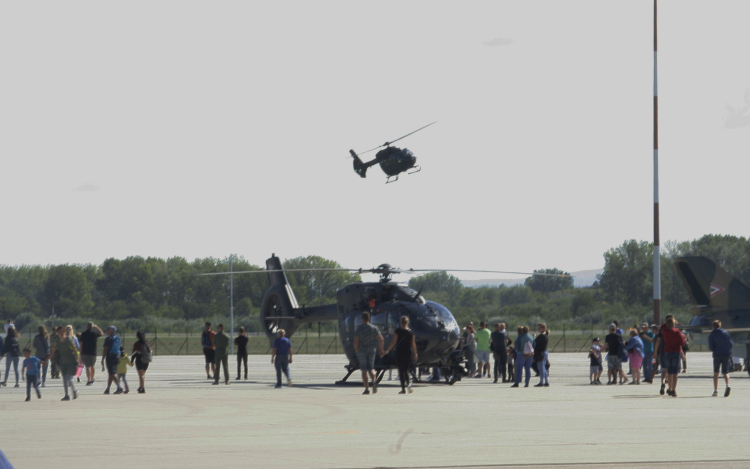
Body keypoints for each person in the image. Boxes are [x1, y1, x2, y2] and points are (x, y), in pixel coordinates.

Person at [383, 316, 418, 394]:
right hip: (409, 352)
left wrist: (387, 351)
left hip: (399, 352)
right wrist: (415, 354)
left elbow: (393, 342)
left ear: (400, 322)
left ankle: (403, 388)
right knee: (406, 370)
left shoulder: (397, 331)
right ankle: (408, 383)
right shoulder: (411, 332)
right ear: (407, 322)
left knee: (401, 370)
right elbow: (413, 344)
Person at [354, 312, 384, 395]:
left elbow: (356, 341)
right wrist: (381, 350)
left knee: (364, 370)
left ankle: (367, 389)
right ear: (369, 318)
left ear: (362, 319)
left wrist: (356, 350)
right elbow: (381, 339)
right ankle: (374, 382)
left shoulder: (359, 328)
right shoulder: (374, 328)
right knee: (371, 368)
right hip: (371, 350)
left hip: (362, 350)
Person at [52, 326, 79, 400]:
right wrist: (47, 359)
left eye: (62, 332)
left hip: (71, 361)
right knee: (64, 379)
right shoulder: (57, 340)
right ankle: (66, 395)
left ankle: (75, 391)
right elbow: (53, 351)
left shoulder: (69, 339)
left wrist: (78, 358)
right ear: (57, 333)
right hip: (62, 361)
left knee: (70, 378)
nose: (61, 333)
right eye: (59, 332)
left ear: (65, 332)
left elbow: (74, 349)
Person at [661, 318, 686, 397]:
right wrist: (684, 338)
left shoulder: (664, 331)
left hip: (667, 352)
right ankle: (674, 390)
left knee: (669, 372)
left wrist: (667, 322)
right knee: (675, 372)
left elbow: (662, 327)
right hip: (676, 352)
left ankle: (670, 388)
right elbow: (682, 343)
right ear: (673, 324)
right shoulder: (677, 332)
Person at [708, 320, 733, 397]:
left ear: (713, 326)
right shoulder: (726, 333)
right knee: (726, 372)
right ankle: (728, 385)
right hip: (726, 354)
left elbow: (711, 347)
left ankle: (715, 391)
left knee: (716, 373)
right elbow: (731, 344)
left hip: (717, 354)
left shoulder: (712, 335)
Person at [101, 326, 124, 395]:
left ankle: (119, 387)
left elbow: (105, 349)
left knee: (113, 373)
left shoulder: (108, 339)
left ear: (111, 331)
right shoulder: (117, 338)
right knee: (111, 373)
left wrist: (103, 358)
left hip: (110, 357)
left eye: (108, 330)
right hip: (116, 356)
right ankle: (108, 388)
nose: (107, 331)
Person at [534, 323, 549, 387]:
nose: (538, 329)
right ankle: (546, 382)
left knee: (541, 367)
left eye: (539, 328)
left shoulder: (542, 336)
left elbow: (535, 343)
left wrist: (534, 337)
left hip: (541, 353)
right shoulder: (545, 335)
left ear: (543, 328)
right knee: (543, 367)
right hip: (544, 352)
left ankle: (541, 382)